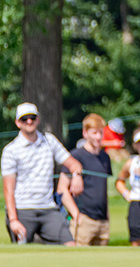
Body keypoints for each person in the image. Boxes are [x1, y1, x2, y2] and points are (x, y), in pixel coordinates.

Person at [2, 102, 84, 245]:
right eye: (24, 119)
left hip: (48, 209)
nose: (29, 121)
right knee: (22, 253)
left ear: (38, 120)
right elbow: (8, 190)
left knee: (70, 245)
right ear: (17, 123)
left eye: (32, 118)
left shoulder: (49, 141)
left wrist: (77, 176)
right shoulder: (11, 150)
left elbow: (74, 164)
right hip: (23, 209)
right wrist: (13, 220)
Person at [69, 113, 114, 245]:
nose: (98, 137)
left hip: (103, 221)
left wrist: (107, 217)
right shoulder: (76, 156)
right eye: (94, 133)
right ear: (85, 133)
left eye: (101, 133)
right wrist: (76, 215)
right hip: (84, 220)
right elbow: (62, 189)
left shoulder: (105, 157)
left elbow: (102, 190)